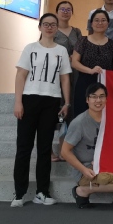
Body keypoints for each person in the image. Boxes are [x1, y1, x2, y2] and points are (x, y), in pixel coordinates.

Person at [11, 13, 72, 207]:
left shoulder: (61, 51)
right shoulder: (30, 48)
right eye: (46, 24)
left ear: (57, 28)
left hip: (51, 101)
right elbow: (21, 75)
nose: (49, 27)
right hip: (29, 99)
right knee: (24, 147)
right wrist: (18, 102)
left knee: (45, 149)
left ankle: (42, 192)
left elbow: (65, 78)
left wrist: (67, 102)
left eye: (53, 24)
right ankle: (19, 193)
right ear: (40, 27)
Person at [62, 83, 113, 208]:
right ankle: (82, 191)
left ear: (106, 99)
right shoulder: (79, 123)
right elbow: (65, 152)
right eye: (94, 97)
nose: (98, 100)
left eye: (101, 96)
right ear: (87, 100)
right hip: (87, 169)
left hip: (105, 163)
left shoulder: (110, 118)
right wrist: (83, 169)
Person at [51, 0, 83, 162]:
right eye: (62, 9)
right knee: (54, 111)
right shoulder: (52, 30)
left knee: (71, 111)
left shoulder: (77, 31)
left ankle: (65, 150)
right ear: (57, 12)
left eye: (68, 9)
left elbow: (81, 51)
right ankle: (50, 150)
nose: (65, 11)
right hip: (56, 75)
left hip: (75, 75)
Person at [72, 10, 113, 117]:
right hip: (84, 83)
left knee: (103, 115)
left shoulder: (112, 44)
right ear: (91, 23)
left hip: (104, 84)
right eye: (96, 20)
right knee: (82, 114)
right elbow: (74, 62)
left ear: (108, 23)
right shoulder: (83, 40)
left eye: (103, 20)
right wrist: (90, 70)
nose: (100, 23)